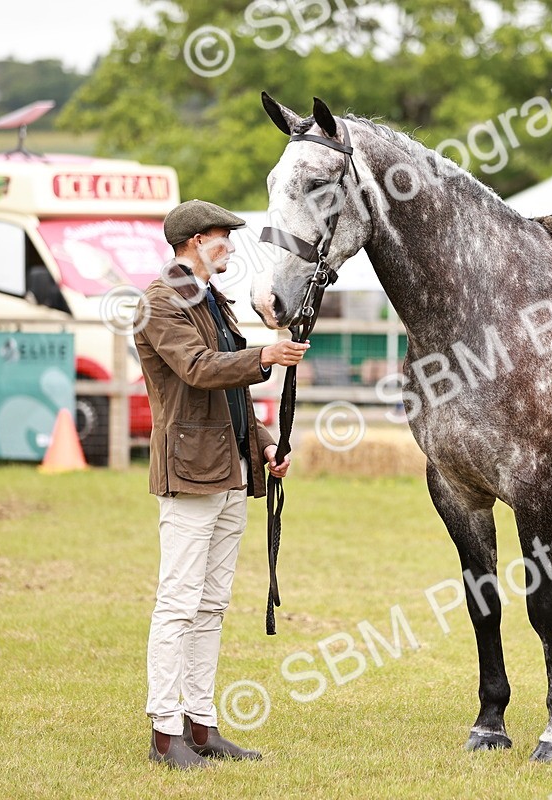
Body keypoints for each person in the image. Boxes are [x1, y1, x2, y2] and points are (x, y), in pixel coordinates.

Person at [135, 199, 310, 769]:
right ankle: (166, 731)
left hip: (231, 468)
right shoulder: (163, 301)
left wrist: (262, 443)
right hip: (190, 469)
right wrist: (265, 355)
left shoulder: (213, 300)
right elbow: (199, 369)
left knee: (210, 605)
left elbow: (229, 391)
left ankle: (201, 726)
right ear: (192, 242)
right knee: (179, 603)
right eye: (221, 238)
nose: (229, 247)